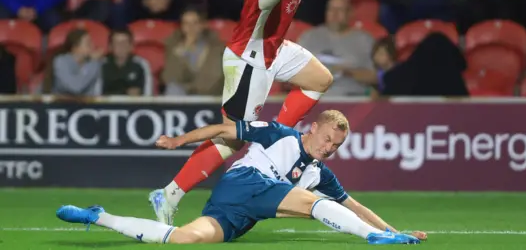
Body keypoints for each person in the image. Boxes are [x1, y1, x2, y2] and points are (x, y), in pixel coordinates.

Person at [148, 0, 336, 224]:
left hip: (273, 49)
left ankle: (274, 144)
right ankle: (169, 194)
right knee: (231, 137)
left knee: (320, 80)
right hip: (250, 59)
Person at [56, 110, 425, 245]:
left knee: (183, 239)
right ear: (312, 129)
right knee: (314, 203)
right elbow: (224, 128)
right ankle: (372, 239)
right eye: (327, 138)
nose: (329, 148)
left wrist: (392, 228)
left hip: (240, 213)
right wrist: (178, 141)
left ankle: (97, 217)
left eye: (336, 145)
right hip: (245, 183)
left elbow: (353, 204)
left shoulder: (319, 173)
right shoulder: (281, 133)